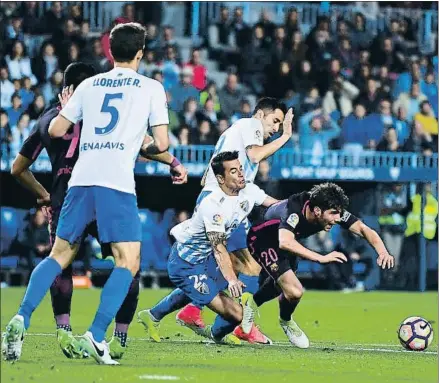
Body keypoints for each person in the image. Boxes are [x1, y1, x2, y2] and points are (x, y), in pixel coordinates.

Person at [2, 22, 176, 366]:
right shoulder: (151, 88)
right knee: (129, 261)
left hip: (79, 183)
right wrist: (139, 138)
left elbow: (55, 129)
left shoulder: (91, 85)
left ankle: (20, 317)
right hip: (116, 183)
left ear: (110, 51)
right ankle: (97, 335)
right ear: (140, 53)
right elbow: (163, 143)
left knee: (58, 256)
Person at [139, 97, 293, 344]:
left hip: (225, 198)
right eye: (274, 121)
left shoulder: (236, 133)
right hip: (222, 204)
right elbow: (254, 157)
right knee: (251, 266)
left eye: (279, 125)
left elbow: (218, 172)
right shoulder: (251, 125)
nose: (275, 128)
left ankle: (180, 311)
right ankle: (241, 324)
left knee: (219, 269)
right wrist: (285, 137)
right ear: (261, 115)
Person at [237, 183, 394, 347]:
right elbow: (285, 242)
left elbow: (362, 228)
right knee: (294, 291)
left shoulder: (328, 208)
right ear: (317, 211)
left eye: (339, 213)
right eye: (333, 214)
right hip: (263, 240)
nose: (337, 219)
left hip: (287, 240)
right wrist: (320, 258)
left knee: (282, 288)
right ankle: (285, 321)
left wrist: (382, 251)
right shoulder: (294, 211)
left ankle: (254, 304)